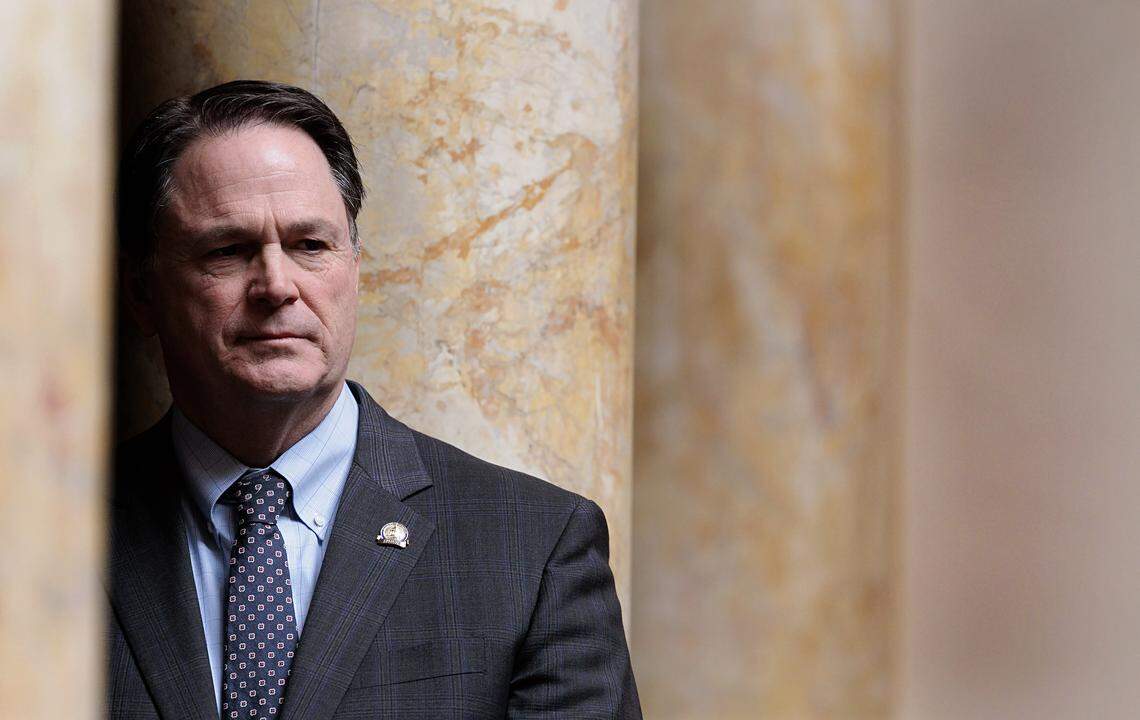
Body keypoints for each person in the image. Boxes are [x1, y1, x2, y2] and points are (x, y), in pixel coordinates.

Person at [108, 79, 640, 720]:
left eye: (311, 245)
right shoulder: (39, 534)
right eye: (228, 250)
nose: (277, 285)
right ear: (142, 293)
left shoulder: (532, 549)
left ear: (355, 267)